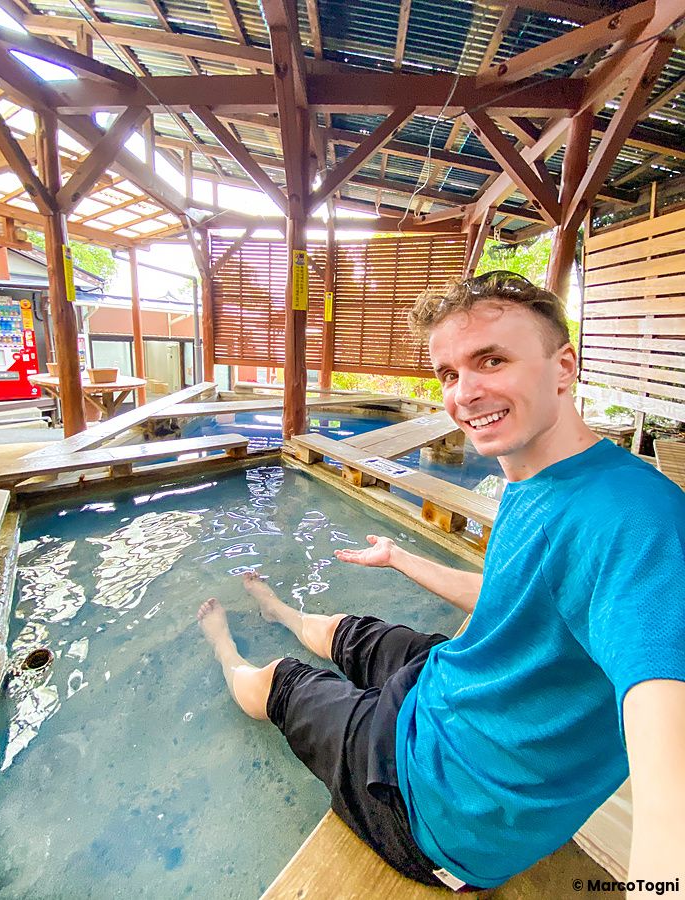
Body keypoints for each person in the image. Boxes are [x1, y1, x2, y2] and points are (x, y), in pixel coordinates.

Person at [197, 270, 685, 893]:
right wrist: (400, 558)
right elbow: (519, 603)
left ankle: (224, 647)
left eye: (491, 360)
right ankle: (285, 614)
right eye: (449, 374)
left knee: (281, 680)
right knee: (354, 632)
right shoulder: (542, 476)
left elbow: (668, 773)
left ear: (563, 366)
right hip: (455, 691)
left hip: (440, 806)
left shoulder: (635, 522)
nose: (465, 393)